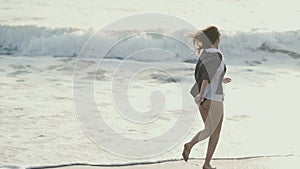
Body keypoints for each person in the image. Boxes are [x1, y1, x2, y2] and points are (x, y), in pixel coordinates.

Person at [182, 26, 231, 169]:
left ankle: (190, 145)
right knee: (216, 131)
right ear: (217, 38)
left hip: (203, 99)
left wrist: (222, 79)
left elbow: (207, 74)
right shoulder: (216, 54)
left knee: (209, 129)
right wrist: (202, 94)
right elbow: (206, 76)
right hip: (213, 97)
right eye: (219, 35)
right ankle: (206, 163)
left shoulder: (205, 54)